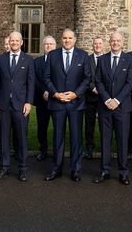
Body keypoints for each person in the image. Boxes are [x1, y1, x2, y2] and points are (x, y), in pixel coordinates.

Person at [43, 28, 91, 182]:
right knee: (58, 138)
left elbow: (87, 79)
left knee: (76, 138)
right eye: (64, 38)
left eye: (70, 38)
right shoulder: (52, 55)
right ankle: (56, 170)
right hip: (57, 103)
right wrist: (55, 94)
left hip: (76, 103)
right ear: (61, 39)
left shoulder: (83, 56)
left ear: (75, 39)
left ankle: (75, 171)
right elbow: (47, 77)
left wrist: (75, 94)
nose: (67, 40)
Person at [93, 31, 132, 184]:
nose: (115, 43)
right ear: (109, 42)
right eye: (113, 40)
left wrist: (116, 100)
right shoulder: (102, 59)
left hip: (122, 107)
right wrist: (107, 99)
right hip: (105, 107)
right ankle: (105, 171)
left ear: (122, 42)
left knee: (122, 141)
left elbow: (130, 83)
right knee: (105, 140)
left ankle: (123, 172)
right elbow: (98, 81)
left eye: (118, 40)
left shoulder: (129, 59)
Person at [0, 31, 34, 182]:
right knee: (4, 137)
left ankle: (23, 168)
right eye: (12, 40)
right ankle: (4, 167)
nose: (14, 43)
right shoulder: (0, 59)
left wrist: (29, 102)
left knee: (22, 138)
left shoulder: (28, 60)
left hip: (20, 105)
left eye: (17, 40)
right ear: (9, 42)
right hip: (3, 105)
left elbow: (31, 83)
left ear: (22, 42)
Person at [33, 35, 56, 161]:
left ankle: (57, 150)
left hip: (56, 100)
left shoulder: (60, 61)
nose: (48, 46)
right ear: (43, 46)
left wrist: (50, 92)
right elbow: (35, 79)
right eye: (46, 44)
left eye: (51, 44)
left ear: (55, 46)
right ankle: (43, 150)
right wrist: (44, 91)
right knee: (41, 127)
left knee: (58, 127)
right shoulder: (36, 62)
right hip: (41, 100)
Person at [84, 36, 104, 159]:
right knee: (89, 124)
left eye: (99, 43)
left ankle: (104, 147)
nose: (97, 46)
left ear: (103, 45)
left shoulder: (107, 59)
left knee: (104, 124)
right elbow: (85, 76)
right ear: (93, 45)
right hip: (90, 97)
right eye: (95, 43)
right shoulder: (87, 59)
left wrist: (101, 90)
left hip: (103, 98)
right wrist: (93, 88)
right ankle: (89, 147)